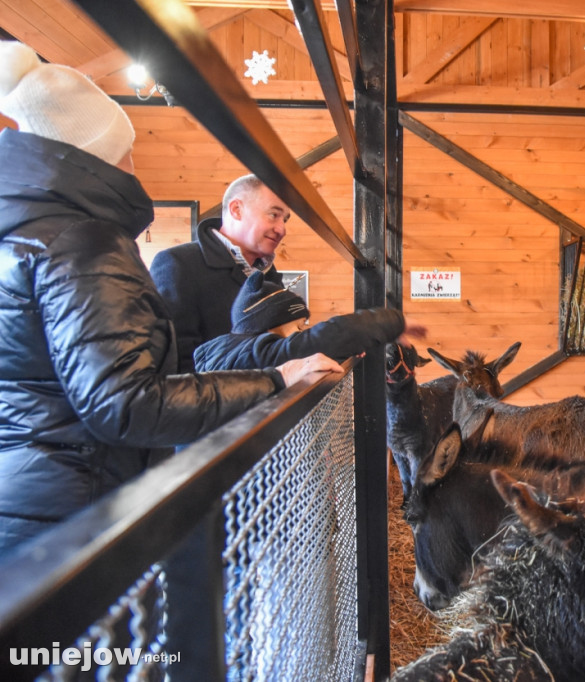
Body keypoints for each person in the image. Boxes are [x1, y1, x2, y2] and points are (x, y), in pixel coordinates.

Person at [0, 41, 342, 557]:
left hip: (41, 493)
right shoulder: (86, 242)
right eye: (126, 149)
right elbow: (130, 398)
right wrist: (274, 379)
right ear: (98, 156)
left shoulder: (30, 233)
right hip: (81, 500)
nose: (133, 164)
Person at [150, 174, 289, 372]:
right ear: (236, 209)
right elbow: (173, 363)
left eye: (285, 219)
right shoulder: (178, 264)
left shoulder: (269, 276)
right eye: (274, 215)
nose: (282, 229)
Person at [194, 271, 428, 371]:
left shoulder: (232, 353)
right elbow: (328, 336)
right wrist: (393, 322)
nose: (302, 332)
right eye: (298, 327)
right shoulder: (257, 354)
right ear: (270, 326)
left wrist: (344, 352)